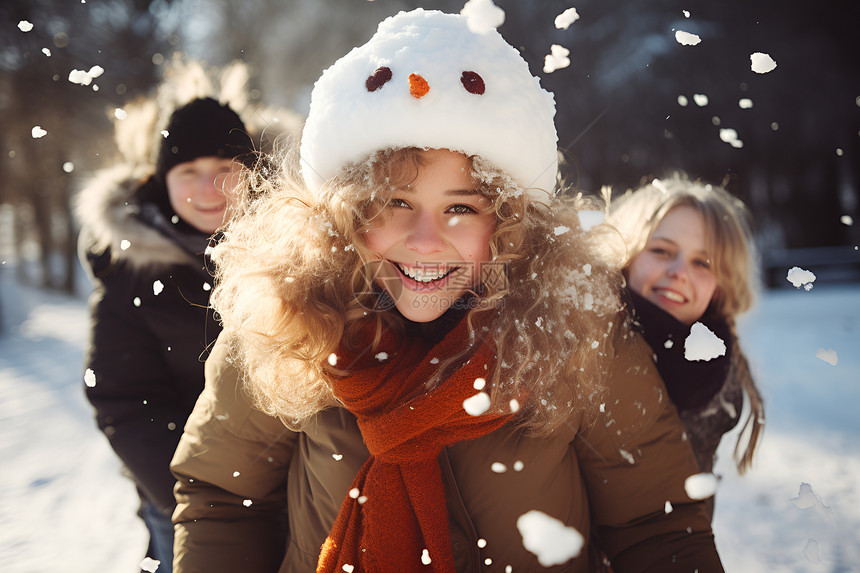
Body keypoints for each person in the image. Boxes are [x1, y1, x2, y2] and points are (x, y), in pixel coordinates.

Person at [170, 9, 724, 572]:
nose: (427, 241)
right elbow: (222, 499)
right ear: (350, 211)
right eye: (396, 202)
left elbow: (656, 526)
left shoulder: (577, 330)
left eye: (461, 208)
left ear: (508, 223)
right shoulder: (287, 321)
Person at [76, 94, 254, 572]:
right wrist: (198, 495)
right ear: (162, 181)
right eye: (187, 171)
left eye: (224, 166)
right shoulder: (131, 272)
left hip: (291, 486)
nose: (209, 187)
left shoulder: (296, 254)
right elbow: (125, 399)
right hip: (182, 498)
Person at [605, 176, 766, 514]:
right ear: (624, 257)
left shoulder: (716, 378)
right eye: (661, 251)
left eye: (702, 263)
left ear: (719, 288)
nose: (679, 272)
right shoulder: (571, 356)